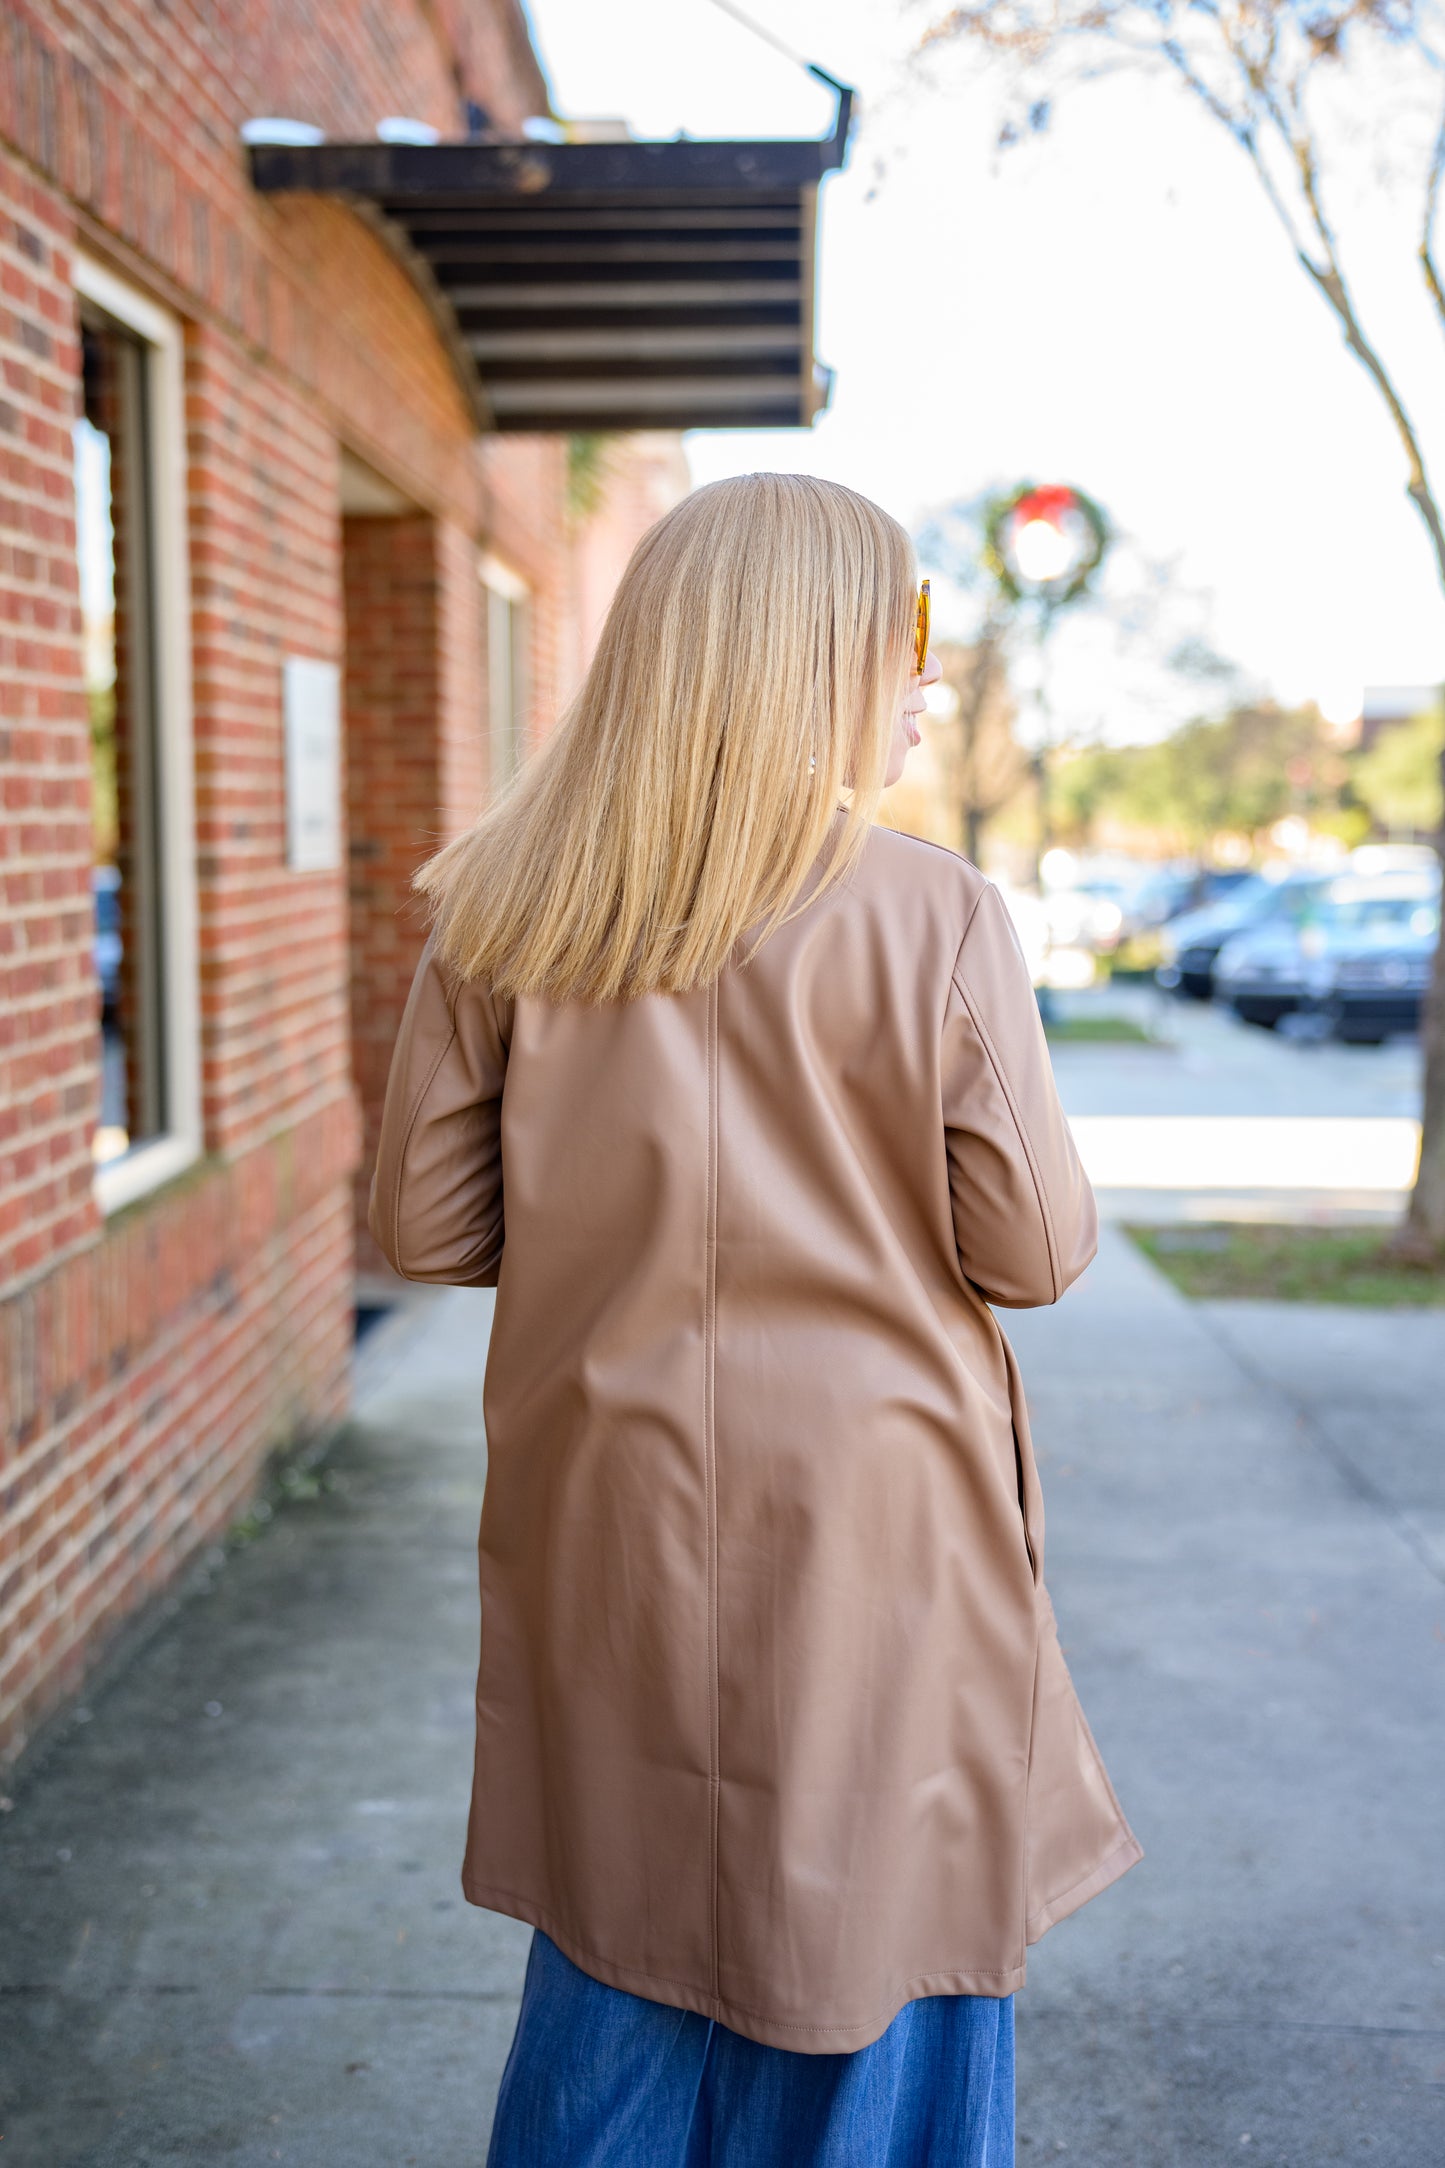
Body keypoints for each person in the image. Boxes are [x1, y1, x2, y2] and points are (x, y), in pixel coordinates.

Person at [368, 473, 1141, 2166]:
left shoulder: (503, 901)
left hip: (608, 1503)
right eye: (903, 632)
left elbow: (425, 1226)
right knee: (882, 1918)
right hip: (874, 1518)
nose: (924, 677)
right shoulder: (930, 910)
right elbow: (1032, 1248)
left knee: (620, 1915)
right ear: (807, 654)